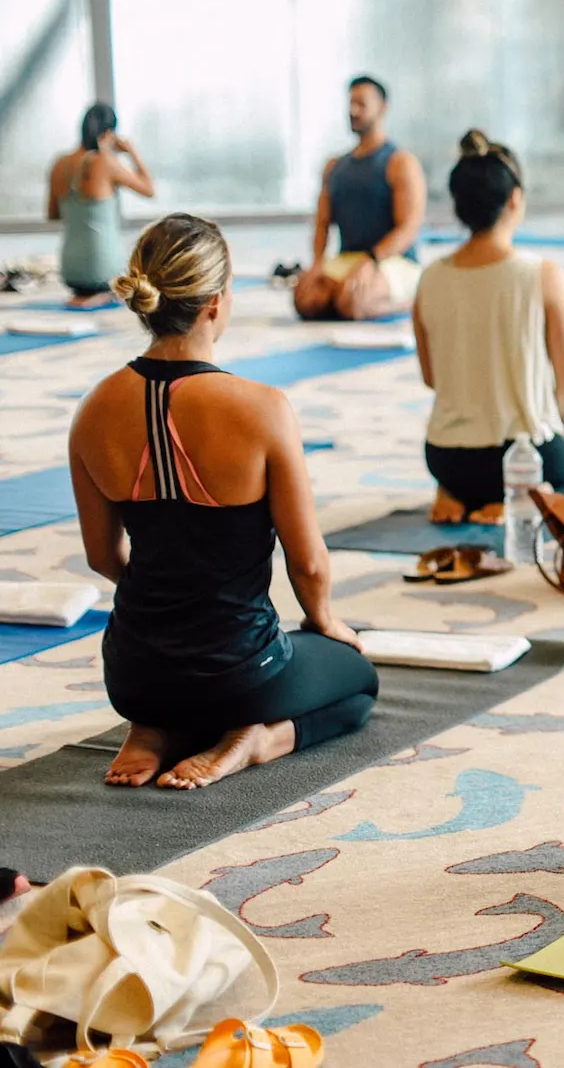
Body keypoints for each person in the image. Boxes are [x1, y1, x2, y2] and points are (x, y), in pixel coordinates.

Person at [69, 215, 377, 789]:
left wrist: (169, 603)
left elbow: (101, 556)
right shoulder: (260, 408)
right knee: (359, 684)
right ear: (215, 301)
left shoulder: (93, 409)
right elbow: (306, 561)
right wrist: (326, 621)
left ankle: (154, 727)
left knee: (177, 683)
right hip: (241, 675)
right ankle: (256, 739)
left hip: (131, 673)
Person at [413, 130, 564, 523]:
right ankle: (524, 497)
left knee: (485, 469)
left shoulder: (429, 278)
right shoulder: (542, 275)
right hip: (524, 459)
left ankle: (456, 497)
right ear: (514, 198)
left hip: (446, 459)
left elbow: (432, 378)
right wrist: (560, 425)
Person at [294, 76, 426, 321]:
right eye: (351, 103)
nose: (353, 110)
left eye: (361, 104)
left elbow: (408, 229)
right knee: (305, 299)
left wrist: (370, 261)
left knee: (352, 302)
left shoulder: (400, 163)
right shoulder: (334, 166)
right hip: (349, 259)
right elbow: (322, 223)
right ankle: (343, 295)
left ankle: (412, 300)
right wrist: (317, 264)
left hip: (394, 262)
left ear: (382, 108)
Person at [45, 103, 154, 307]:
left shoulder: (59, 163)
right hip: (104, 270)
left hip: (69, 271)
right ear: (110, 133)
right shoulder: (105, 161)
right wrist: (131, 152)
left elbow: (52, 214)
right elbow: (149, 190)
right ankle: (107, 294)